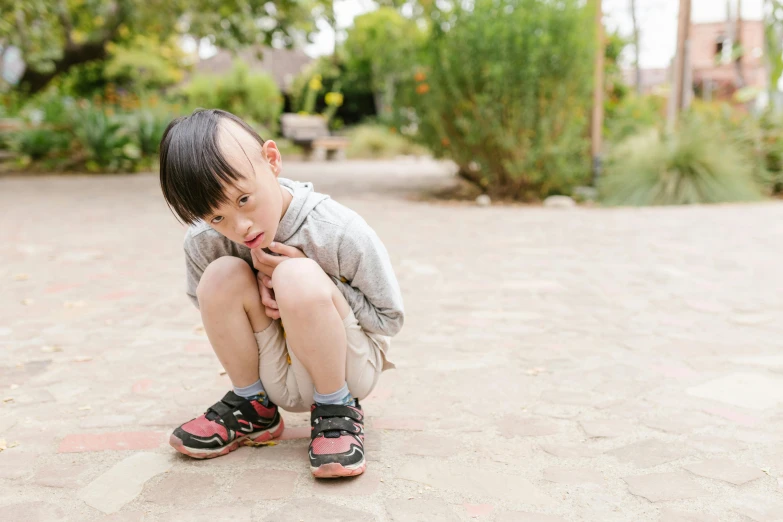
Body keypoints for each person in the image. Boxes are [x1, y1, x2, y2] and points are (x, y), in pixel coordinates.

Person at [158, 109, 404, 478]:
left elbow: (389, 318)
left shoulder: (336, 229)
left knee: (295, 276)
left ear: (271, 160)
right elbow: (207, 304)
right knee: (221, 275)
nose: (239, 227)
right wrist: (256, 293)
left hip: (347, 373)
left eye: (243, 200)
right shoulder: (205, 241)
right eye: (216, 218)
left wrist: (319, 281)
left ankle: (336, 411)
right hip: (273, 374)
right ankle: (252, 407)